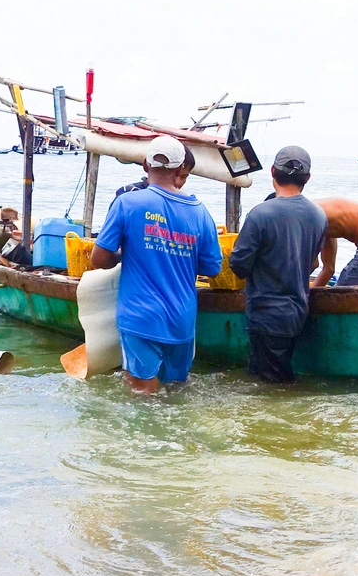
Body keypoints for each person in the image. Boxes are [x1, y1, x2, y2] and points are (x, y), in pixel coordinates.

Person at [90, 136, 223, 392]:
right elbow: (211, 268)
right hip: (182, 318)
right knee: (175, 390)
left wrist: (126, 255)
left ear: (144, 165)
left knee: (142, 393)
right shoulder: (200, 212)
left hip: (140, 316)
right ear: (179, 170)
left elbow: (99, 259)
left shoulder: (127, 203)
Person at [225, 146, 327, 383]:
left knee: (272, 384)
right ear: (307, 178)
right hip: (298, 312)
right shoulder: (318, 215)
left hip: (265, 314)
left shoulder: (261, 214)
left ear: (272, 171)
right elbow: (313, 263)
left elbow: (238, 264)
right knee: (271, 375)